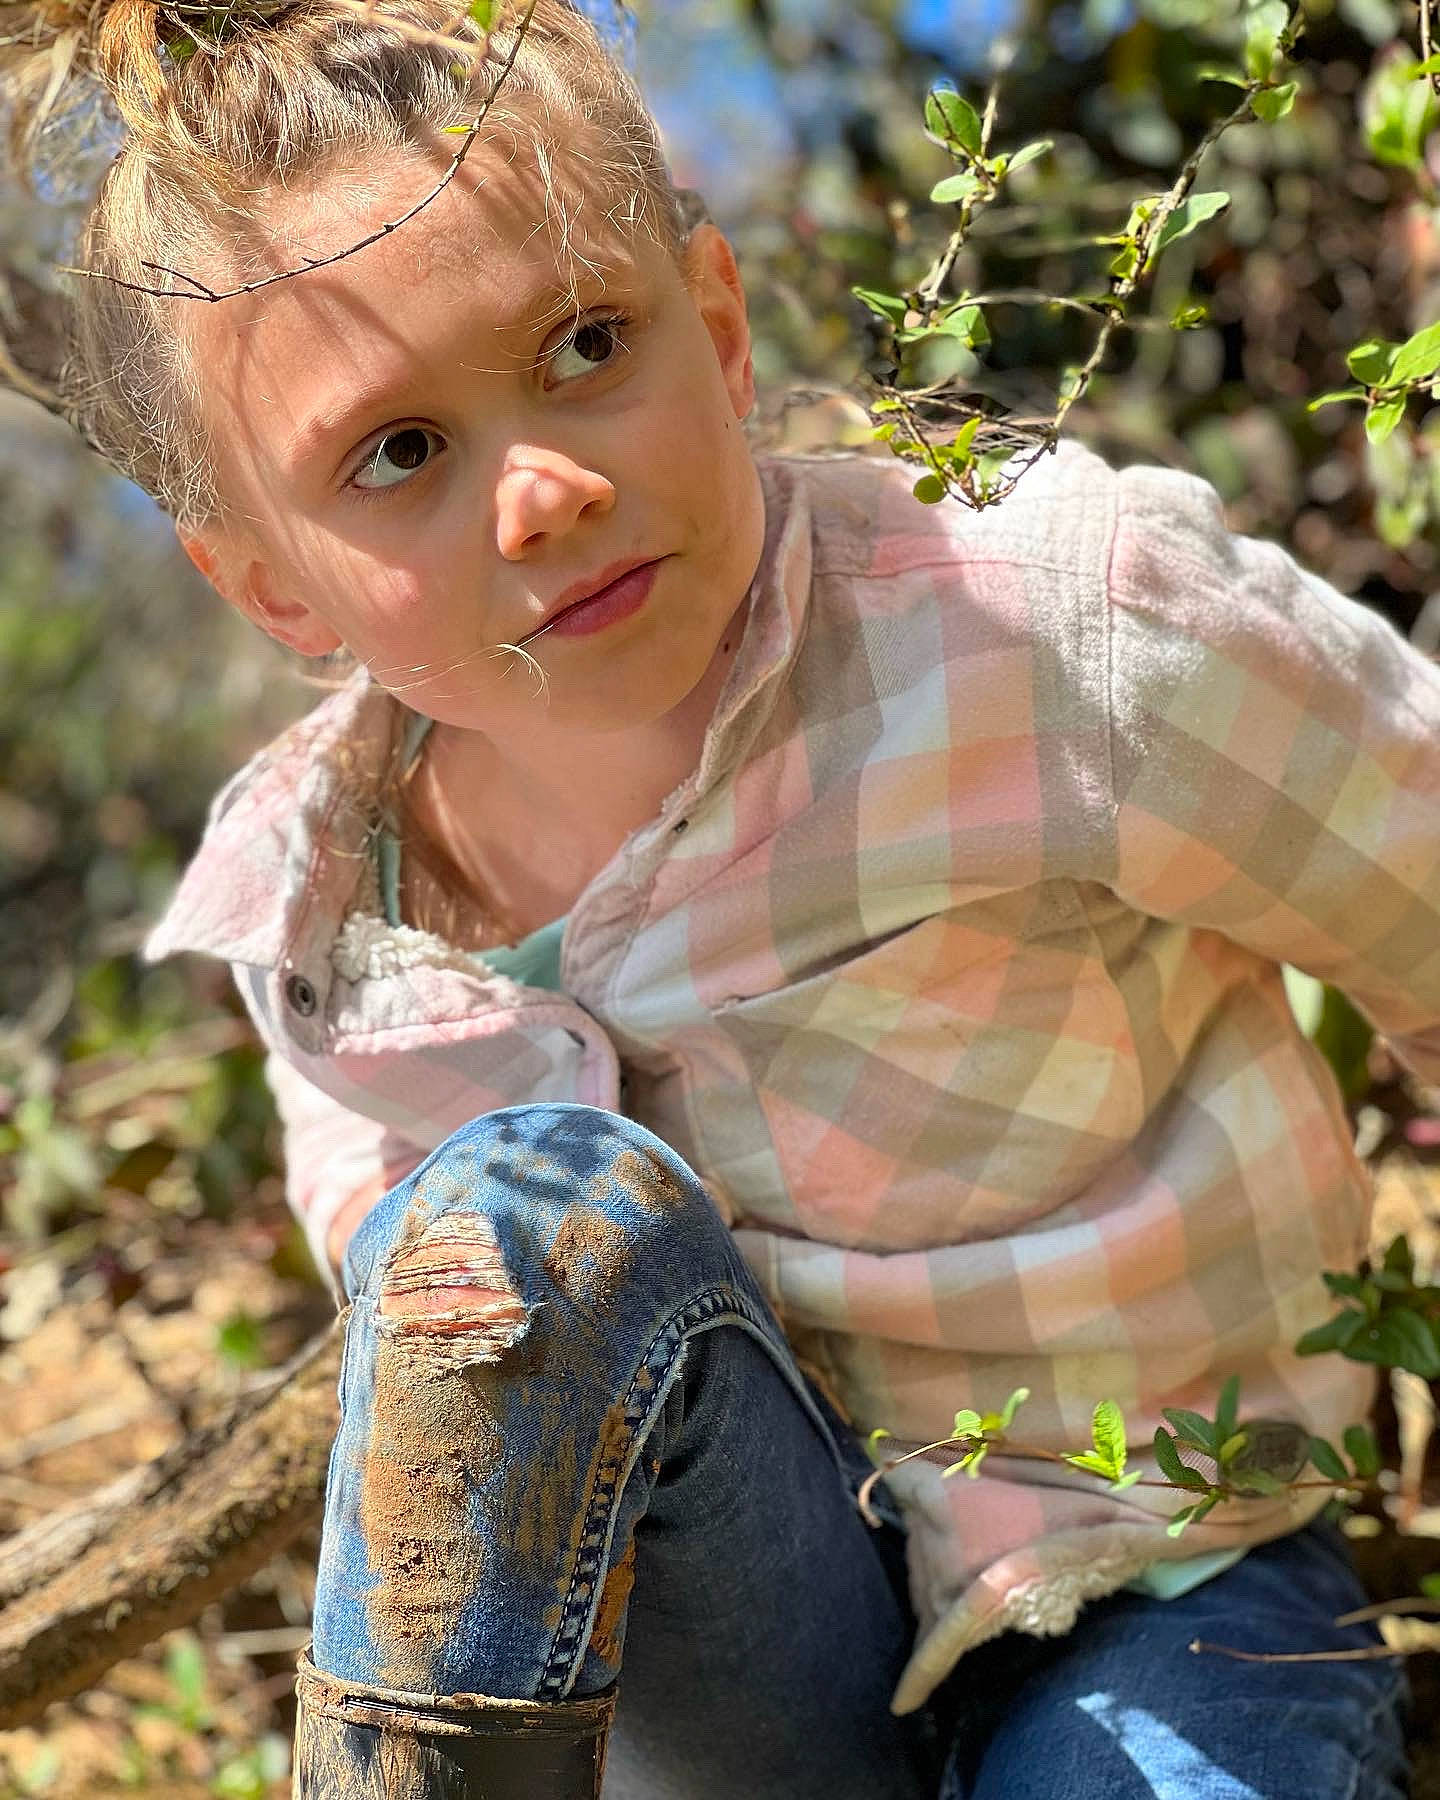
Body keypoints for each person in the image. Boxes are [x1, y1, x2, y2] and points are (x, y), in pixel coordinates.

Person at [5, 0, 1432, 1792]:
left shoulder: (1038, 635)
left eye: (587, 343)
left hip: (1162, 1564)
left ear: (724, 329)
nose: (544, 492)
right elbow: (421, 1302)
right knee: (515, 1216)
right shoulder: (326, 913)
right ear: (275, 586)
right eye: (398, 453)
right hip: (740, 1656)